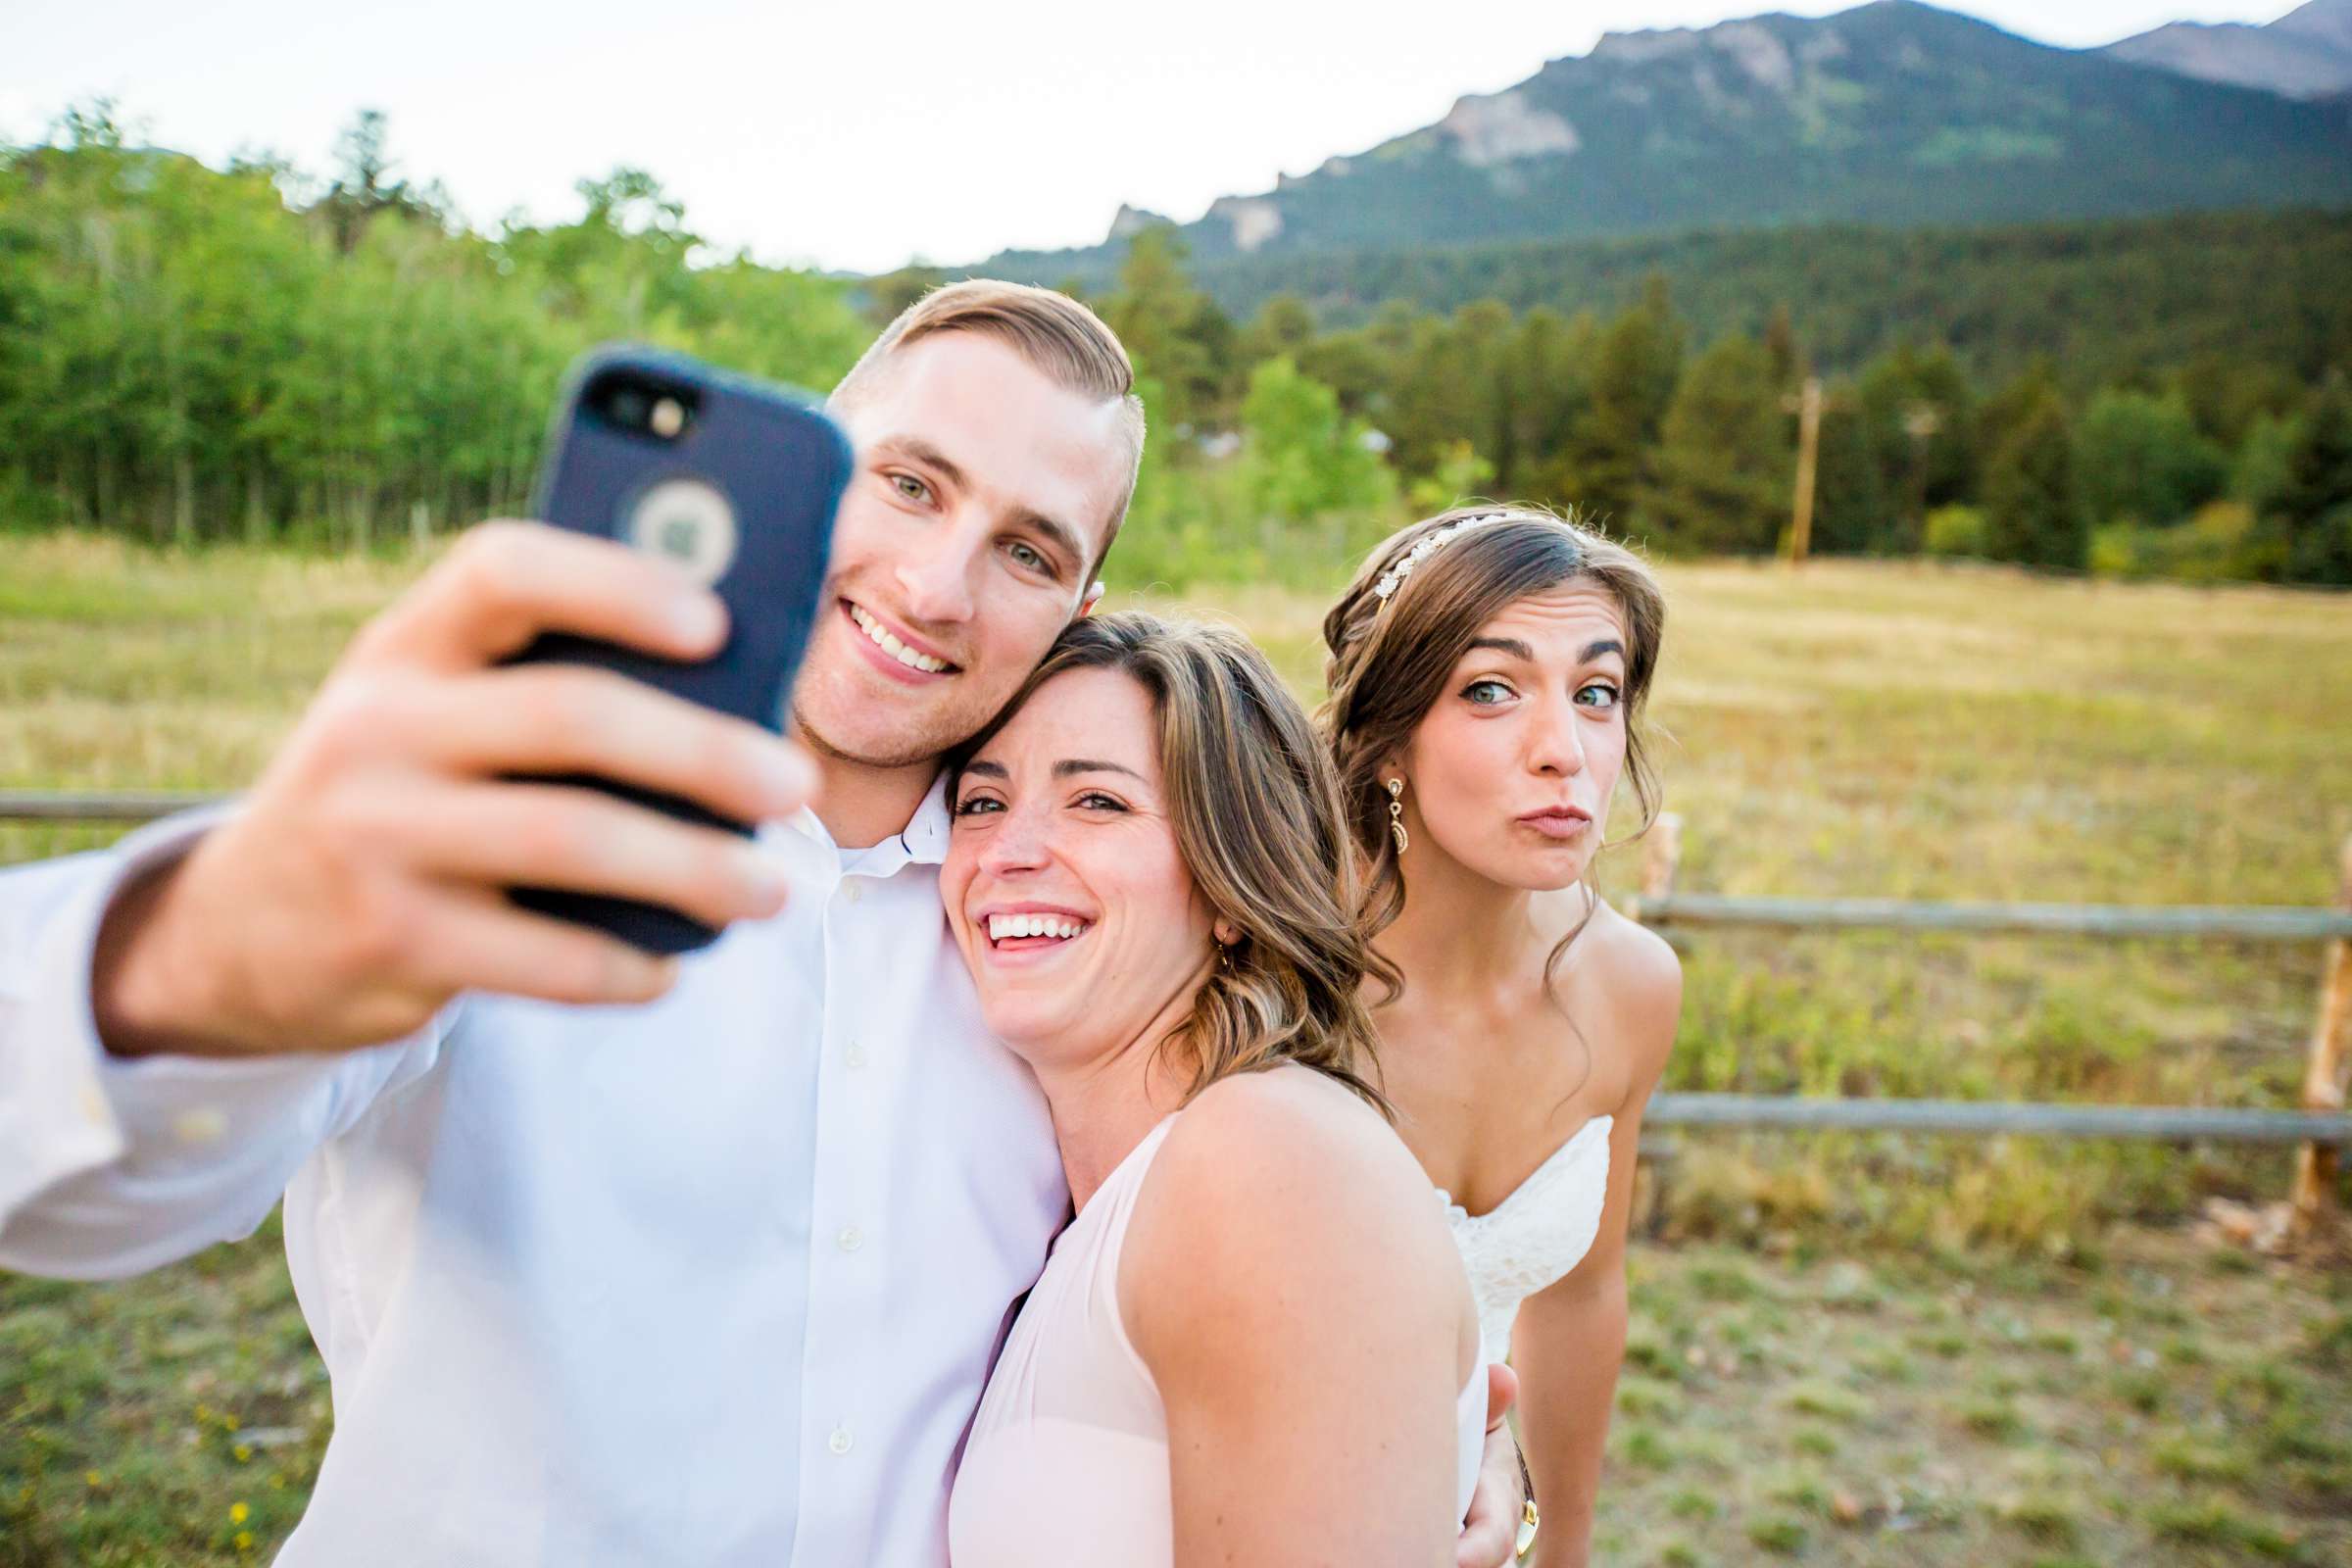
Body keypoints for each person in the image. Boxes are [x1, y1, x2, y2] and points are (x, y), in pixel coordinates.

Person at [0, 283, 1525, 1565]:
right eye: (909, 483)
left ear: (1076, 598)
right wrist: (200, 948)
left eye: (1028, 549)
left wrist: (1392, 1446)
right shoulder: (517, 828)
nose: (935, 586)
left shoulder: (1048, 950)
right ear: (808, 469)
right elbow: (73, 1191)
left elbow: (1228, 1305)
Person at [941, 612, 1487, 1565]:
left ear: (1233, 887)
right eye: (982, 802)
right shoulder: (1104, 1192)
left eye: (1098, 803)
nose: (1008, 850)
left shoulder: (1269, 1162)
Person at [1320, 507, 1683, 1568]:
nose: (1563, 752)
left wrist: (1558, 1544)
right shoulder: (1272, 977)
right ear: (1386, 740)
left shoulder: (1633, 987)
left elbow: (1579, 1293)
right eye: (1491, 689)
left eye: (1597, 693)